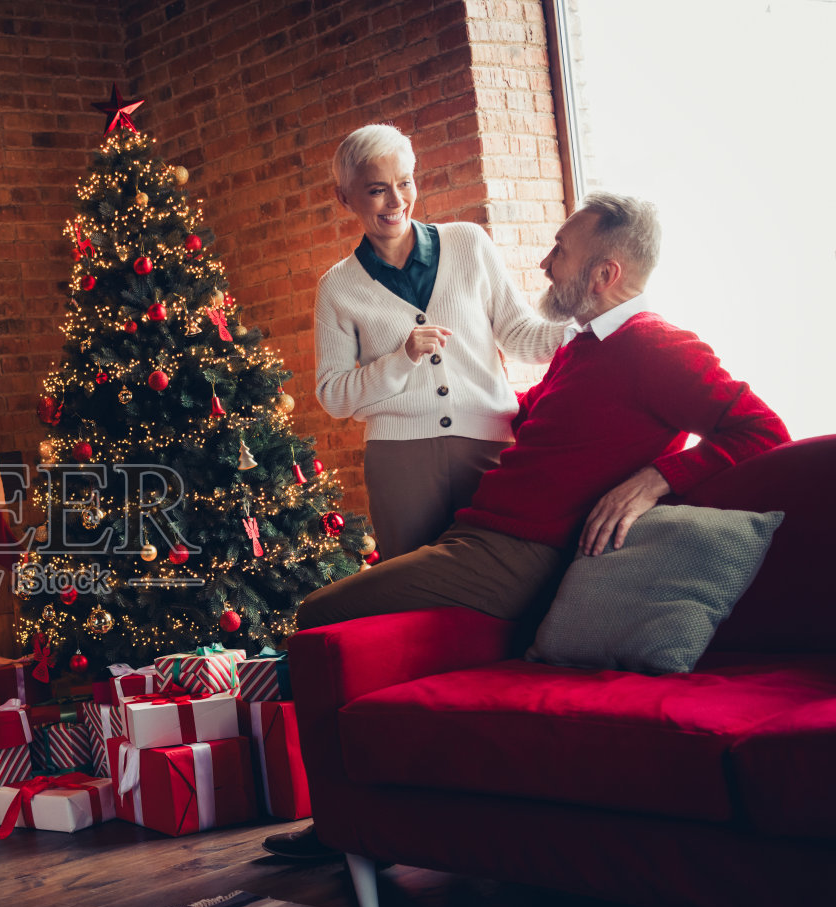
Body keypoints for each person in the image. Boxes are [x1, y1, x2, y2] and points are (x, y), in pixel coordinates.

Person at [266, 192, 789, 862]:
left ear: (604, 274)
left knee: (316, 611)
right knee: (356, 632)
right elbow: (528, 417)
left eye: (560, 252)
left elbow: (763, 430)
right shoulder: (584, 350)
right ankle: (375, 815)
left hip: (513, 554)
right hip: (477, 538)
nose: (544, 264)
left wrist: (658, 478)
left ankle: (333, 824)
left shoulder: (657, 346)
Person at [314, 124, 566, 561]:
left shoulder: (469, 243)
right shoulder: (337, 287)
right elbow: (333, 395)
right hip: (398, 461)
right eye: (377, 190)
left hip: (489, 446)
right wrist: (401, 359)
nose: (396, 202)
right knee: (413, 592)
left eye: (405, 183)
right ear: (345, 197)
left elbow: (521, 337)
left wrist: (590, 323)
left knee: (504, 573)